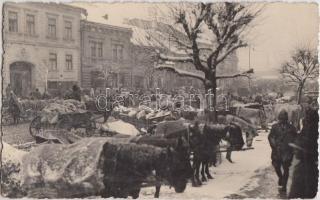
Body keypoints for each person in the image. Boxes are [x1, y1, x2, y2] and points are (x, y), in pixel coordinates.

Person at [288, 108, 318, 198]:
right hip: (309, 166)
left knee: (301, 189)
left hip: (309, 166)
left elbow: (303, 146)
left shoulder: (310, 130)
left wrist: (299, 147)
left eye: (307, 117)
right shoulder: (308, 129)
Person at [268, 110, 297, 192]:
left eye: (284, 119)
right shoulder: (274, 127)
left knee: (286, 168)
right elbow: (270, 137)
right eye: (281, 119)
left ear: (286, 119)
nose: (282, 121)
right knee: (276, 166)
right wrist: (273, 145)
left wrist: (293, 146)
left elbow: (296, 138)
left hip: (287, 151)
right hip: (276, 150)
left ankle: (284, 185)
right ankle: (280, 177)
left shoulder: (292, 128)